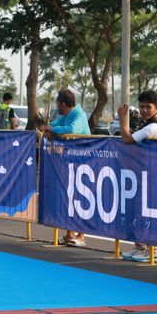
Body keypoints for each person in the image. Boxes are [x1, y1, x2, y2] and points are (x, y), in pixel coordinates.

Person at [118, 89, 157, 263]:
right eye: (141, 106)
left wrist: (122, 119)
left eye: (148, 107)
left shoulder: (153, 127)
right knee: (141, 211)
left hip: (155, 175)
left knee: (151, 213)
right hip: (150, 173)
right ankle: (141, 247)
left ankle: (154, 251)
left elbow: (127, 139)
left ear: (156, 107)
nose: (144, 110)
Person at [40, 88, 91, 246]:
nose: (57, 107)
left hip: (84, 162)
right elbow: (54, 124)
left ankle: (81, 236)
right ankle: (69, 234)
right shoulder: (65, 116)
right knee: (69, 196)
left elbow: (72, 129)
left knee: (81, 198)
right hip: (71, 161)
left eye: (57, 104)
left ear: (62, 104)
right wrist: (48, 128)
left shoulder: (79, 115)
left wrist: (52, 130)